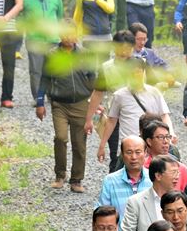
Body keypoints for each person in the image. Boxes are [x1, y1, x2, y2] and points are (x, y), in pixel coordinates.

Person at [36, 23, 95, 192]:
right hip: (59, 105)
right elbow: (44, 79)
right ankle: (59, 175)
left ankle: (76, 180)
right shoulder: (52, 55)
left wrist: (96, 105)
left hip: (81, 104)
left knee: (79, 143)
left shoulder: (86, 54)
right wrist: (40, 103)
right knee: (60, 138)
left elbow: (93, 79)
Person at [97, 58, 174, 158]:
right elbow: (111, 120)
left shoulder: (154, 92)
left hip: (152, 144)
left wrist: (170, 134)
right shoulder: (119, 95)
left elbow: (164, 115)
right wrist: (102, 146)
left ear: (143, 72)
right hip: (129, 146)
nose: (136, 76)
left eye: (138, 72)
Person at [84, 30, 136, 172]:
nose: (125, 51)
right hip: (115, 116)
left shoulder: (140, 64)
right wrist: (89, 119)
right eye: (122, 47)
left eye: (129, 48)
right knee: (116, 154)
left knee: (137, 154)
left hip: (136, 116)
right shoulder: (106, 67)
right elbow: (97, 94)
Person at [121, 155, 187, 231]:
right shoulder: (136, 202)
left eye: (178, 172)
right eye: (173, 172)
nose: (177, 177)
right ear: (158, 176)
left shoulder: (186, 201)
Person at [22, 0, 64, 99]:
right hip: (34, 39)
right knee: (36, 71)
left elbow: (60, 16)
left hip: (53, 39)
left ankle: (53, 96)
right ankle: (38, 97)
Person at [98, 136, 151, 230]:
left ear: (145, 153)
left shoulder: (153, 179)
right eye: (129, 152)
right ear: (122, 154)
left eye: (138, 152)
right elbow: (102, 214)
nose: (134, 157)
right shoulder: (110, 181)